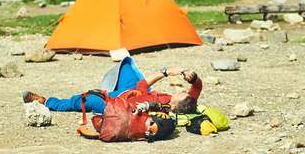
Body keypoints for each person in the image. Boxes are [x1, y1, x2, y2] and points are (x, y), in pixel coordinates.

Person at [22, 58, 202, 115]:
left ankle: (46, 102)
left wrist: (166, 72)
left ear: (173, 106)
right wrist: (191, 77)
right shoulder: (183, 102)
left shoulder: (159, 105)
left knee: (83, 101)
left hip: (116, 103)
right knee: (126, 65)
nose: (179, 91)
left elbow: (142, 85)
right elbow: (196, 88)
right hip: (128, 92)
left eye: (180, 94)